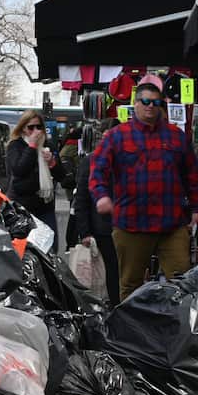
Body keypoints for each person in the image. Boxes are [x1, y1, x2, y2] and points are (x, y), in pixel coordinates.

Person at [89, 74, 198, 298]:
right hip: (132, 223)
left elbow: (192, 175)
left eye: (156, 102)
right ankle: (130, 331)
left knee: (184, 285)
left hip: (172, 223)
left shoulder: (176, 136)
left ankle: (179, 330)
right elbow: (97, 170)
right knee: (130, 285)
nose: (151, 106)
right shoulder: (116, 136)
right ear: (136, 104)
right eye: (146, 101)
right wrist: (101, 196)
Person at [71, 119, 121, 305]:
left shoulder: (131, 159)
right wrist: (85, 231)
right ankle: (114, 308)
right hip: (103, 229)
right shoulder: (91, 161)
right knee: (110, 272)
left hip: (127, 227)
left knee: (124, 273)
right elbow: (82, 199)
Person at [7, 109, 61, 250]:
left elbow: (63, 177)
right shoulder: (16, 145)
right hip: (23, 207)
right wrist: (31, 147)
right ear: (23, 129)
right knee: (26, 248)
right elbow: (18, 170)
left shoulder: (48, 146)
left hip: (45, 206)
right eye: (31, 127)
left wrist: (52, 164)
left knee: (50, 247)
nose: (35, 131)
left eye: (39, 127)